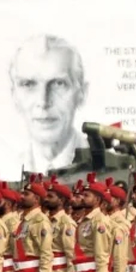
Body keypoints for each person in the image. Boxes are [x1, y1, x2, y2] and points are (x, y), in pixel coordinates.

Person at [9, 35, 88, 176]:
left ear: (81, 93)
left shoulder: (113, 169)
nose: (43, 101)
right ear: (14, 96)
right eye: (28, 84)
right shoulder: (7, 170)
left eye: (59, 84)